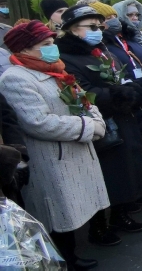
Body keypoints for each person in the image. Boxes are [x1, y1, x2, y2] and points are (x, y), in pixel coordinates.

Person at [0, 20, 109, 270]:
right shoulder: (15, 78)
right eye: (46, 44)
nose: (53, 48)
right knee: (58, 212)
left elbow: (85, 102)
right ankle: (65, 260)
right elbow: (38, 122)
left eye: (52, 43)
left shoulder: (57, 69)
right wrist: (87, 127)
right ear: (25, 49)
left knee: (75, 206)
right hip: (53, 157)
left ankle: (75, 252)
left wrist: (96, 119)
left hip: (76, 151)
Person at [55, 5, 142, 246]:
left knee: (125, 169)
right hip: (101, 123)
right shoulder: (66, 58)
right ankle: (99, 228)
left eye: (99, 27)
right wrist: (118, 94)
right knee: (106, 176)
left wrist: (129, 89)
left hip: (121, 118)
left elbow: (117, 76)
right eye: (91, 27)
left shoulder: (99, 51)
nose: (98, 31)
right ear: (72, 30)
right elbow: (82, 93)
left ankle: (121, 214)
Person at [95, 1, 142, 175]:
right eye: (107, 18)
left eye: (114, 17)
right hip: (127, 91)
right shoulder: (104, 44)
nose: (113, 21)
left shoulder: (129, 38)